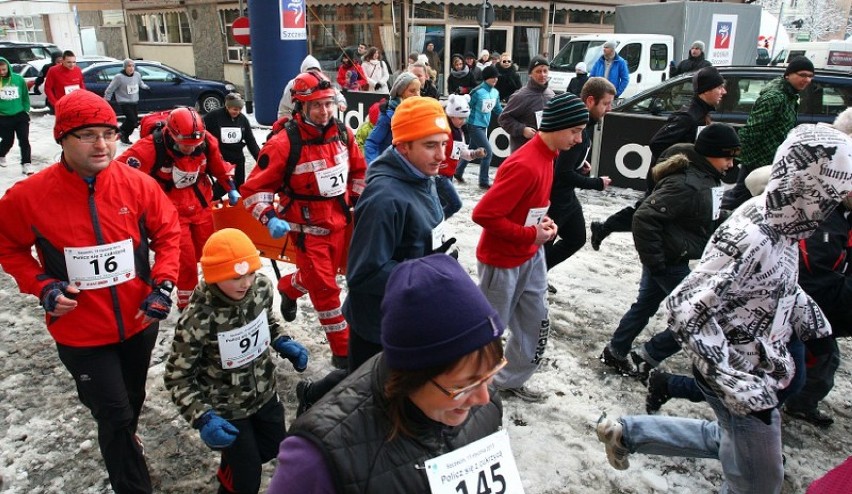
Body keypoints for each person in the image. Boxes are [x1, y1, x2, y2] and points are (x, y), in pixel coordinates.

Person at [595, 122, 852, 493]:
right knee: (761, 480)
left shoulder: (785, 228)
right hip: (740, 372)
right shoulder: (755, 235)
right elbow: (683, 309)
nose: (830, 210)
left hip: (761, 369)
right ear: (805, 188)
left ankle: (628, 433)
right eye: (827, 199)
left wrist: (816, 327)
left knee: (734, 444)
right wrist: (738, 385)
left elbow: (783, 284)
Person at [0, 89, 181, 493]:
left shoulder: (137, 185)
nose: (102, 144)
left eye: (109, 133)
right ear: (62, 138)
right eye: (87, 135)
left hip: (138, 321)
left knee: (130, 403)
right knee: (113, 413)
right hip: (80, 332)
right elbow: (8, 247)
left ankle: (125, 444)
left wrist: (163, 283)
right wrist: (41, 285)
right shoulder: (29, 197)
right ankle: (131, 483)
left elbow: (169, 232)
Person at [268, 254, 506, 493]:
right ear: (412, 375)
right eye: (464, 386)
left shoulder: (484, 402)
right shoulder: (317, 461)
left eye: (490, 373)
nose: (484, 398)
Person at [163, 228, 309, 494]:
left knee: (274, 445)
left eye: (250, 273)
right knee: (247, 476)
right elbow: (177, 376)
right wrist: (203, 417)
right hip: (226, 408)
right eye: (235, 277)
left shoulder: (261, 287)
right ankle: (232, 478)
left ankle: (233, 465)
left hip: (264, 392)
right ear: (215, 276)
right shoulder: (198, 319)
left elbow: (266, 322)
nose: (245, 283)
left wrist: (282, 341)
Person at [240, 71, 366, 368]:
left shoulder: (343, 135)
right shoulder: (283, 144)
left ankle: (289, 287)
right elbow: (253, 191)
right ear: (301, 107)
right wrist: (269, 217)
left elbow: (360, 171)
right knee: (326, 291)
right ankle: (343, 353)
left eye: (328, 104)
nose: (324, 111)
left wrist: (358, 201)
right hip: (306, 231)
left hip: (339, 223)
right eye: (316, 105)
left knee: (324, 276)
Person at [599, 123, 740, 380]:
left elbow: (707, 214)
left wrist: (734, 219)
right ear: (709, 153)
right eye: (727, 157)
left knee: (645, 305)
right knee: (696, 316)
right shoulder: (689, 183)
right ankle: (646, 356)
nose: (730, 164)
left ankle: (616, 350)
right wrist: (656, 263)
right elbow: (644, 217)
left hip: (669, 256)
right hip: (668, 259)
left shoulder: (706, 178)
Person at [473, 92, 589, 403]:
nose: (579, 140)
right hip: (502, 262)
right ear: (557, 126)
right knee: (487, 334)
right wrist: (530, 235)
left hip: (531, 255)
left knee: (536, 325)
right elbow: (483, 214)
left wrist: (545, 222)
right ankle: (473, 392)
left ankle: (507, 382)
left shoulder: (549, 157)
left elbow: (530, 206)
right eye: (575, 131)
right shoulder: (525, 162)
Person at [343, 96, 451, 371]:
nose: (441, 155)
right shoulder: (384, 198)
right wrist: (427, 274)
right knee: (367, 399)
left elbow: (419, 230)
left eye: (443, 143)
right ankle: (313, 397)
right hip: (379, 328)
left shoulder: (421, 174)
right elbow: (362, 273)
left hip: (409, 315)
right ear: (403, 147)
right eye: (430, 145)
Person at [591, 66, 727, 250]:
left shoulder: (701, 115)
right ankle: (604, 229)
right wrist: (679, 164)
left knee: (644, 212)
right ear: (706, 90)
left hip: (680, 181)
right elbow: (657, 143)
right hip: (667, 178)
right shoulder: (688, 117)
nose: (723, 92)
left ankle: (603, 228)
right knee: (644, 214)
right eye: (719, 87)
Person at [117, 107, 238, 310]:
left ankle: (215, 292)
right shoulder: (148, 149)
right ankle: (187, 303)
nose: (190, 150)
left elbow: (218, 166)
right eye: (185, 145)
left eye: (194, 145)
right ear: (172, 135)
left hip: (200, 204)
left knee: (209, 251)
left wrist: (231, 188)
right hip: (170, 210)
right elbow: (120, 176)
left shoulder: (206, 141)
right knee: (185, 260)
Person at [721, 56, 815, 210]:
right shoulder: (775, 97)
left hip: (772, 159)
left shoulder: (790, 96)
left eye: (810, 76)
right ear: (788, 75)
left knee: (751, 199)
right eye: (802, 75)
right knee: (738, 197)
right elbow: (753, 129)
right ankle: (706, 214)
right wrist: (738, 157)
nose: (806, 80)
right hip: (757, 160)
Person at [544, 78, 615, 278]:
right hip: (555, 199)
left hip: (567, 197)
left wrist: (579, 164)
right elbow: (562, 172)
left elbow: (566, 164)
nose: (609, 109)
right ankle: (534, 280)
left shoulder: (587, 124)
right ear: (590, 101)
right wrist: (596, 182)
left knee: (576, 238)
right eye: (606, 104)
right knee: (544, 246)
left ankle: (539, 273)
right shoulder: (577, 126)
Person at [453, 65, 503, 189]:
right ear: (486, 78)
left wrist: (506, 116)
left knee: (472, 149)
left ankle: (458, 172)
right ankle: (483, 181)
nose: (495, 79)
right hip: (474, 125)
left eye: (496, 77)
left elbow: (497, 109)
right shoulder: (477, 91)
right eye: (493, 77)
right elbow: (466, 105)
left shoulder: (496, 92)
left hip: (484, 125)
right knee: (487, 152)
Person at [438, 93, 486, 218]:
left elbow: (464, 152)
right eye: (460, 118)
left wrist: (475, 153)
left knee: (440, 207)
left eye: (464, 118)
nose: (462, 121)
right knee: (455, 204)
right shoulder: (442, 129)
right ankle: (432, 226)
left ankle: (435, 229)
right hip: (439, 176)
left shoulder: (458, 133)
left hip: (448, 175)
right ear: (451, 115)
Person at [203, 92, 260, 193]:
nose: (237, 112)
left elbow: (250, 140)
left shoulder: (243, 120)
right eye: (234, 109)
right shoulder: (214, 116)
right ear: (227, 106)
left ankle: (237, 207)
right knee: (223, 186)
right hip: (221, 158)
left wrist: (259, 158)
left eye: (239, 109)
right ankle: (210, 201)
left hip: (237, 158)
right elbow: (202, 130)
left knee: (239, 187)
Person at [498, 56, 554, 153]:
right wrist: (522, 130)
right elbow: (503, 119)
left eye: (545, 71)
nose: (543, 75)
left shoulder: (551, 94)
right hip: (524, 152)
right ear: (530, 74)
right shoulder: (521, 96)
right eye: (538, 71)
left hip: (545, 151)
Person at [363, 72, 420, 164]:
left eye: (418, 90)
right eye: (412, 91)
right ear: (401, 93)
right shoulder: (388, 115)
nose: (417, 95)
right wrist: (375, 168)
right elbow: (371, 143)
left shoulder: (418, 112)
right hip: (390, 168)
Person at [277, 55, 347, 120]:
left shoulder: (322, 82)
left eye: (315, 71)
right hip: (296, 121)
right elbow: (284, 110)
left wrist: (341, 102)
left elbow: (336, 93)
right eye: (310, 72)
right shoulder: (293, 84)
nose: (313, 74)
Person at [104, 59, 150, 145]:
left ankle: (125, 135)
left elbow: (140, 83)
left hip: (134, 101)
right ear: (125, 67)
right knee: (133, 120)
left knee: (133, 121)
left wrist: (146, 87)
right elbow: (110, 90)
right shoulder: (119, 77)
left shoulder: (137, 75)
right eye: (129, 66)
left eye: (133, 66)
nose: (131, 68)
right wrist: (106, 100)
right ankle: (121, 130)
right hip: (124, 102)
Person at [0, 56, 33, 175]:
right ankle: (1, 154)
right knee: (8, 140)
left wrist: (26, 109)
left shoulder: (18, 79)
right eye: (0, 70)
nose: (2, 72)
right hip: (3, 117)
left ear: (8, 67)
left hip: (20, 115)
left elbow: (25, 95)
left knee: (24, 139)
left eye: (4, 69)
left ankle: (26, 163)